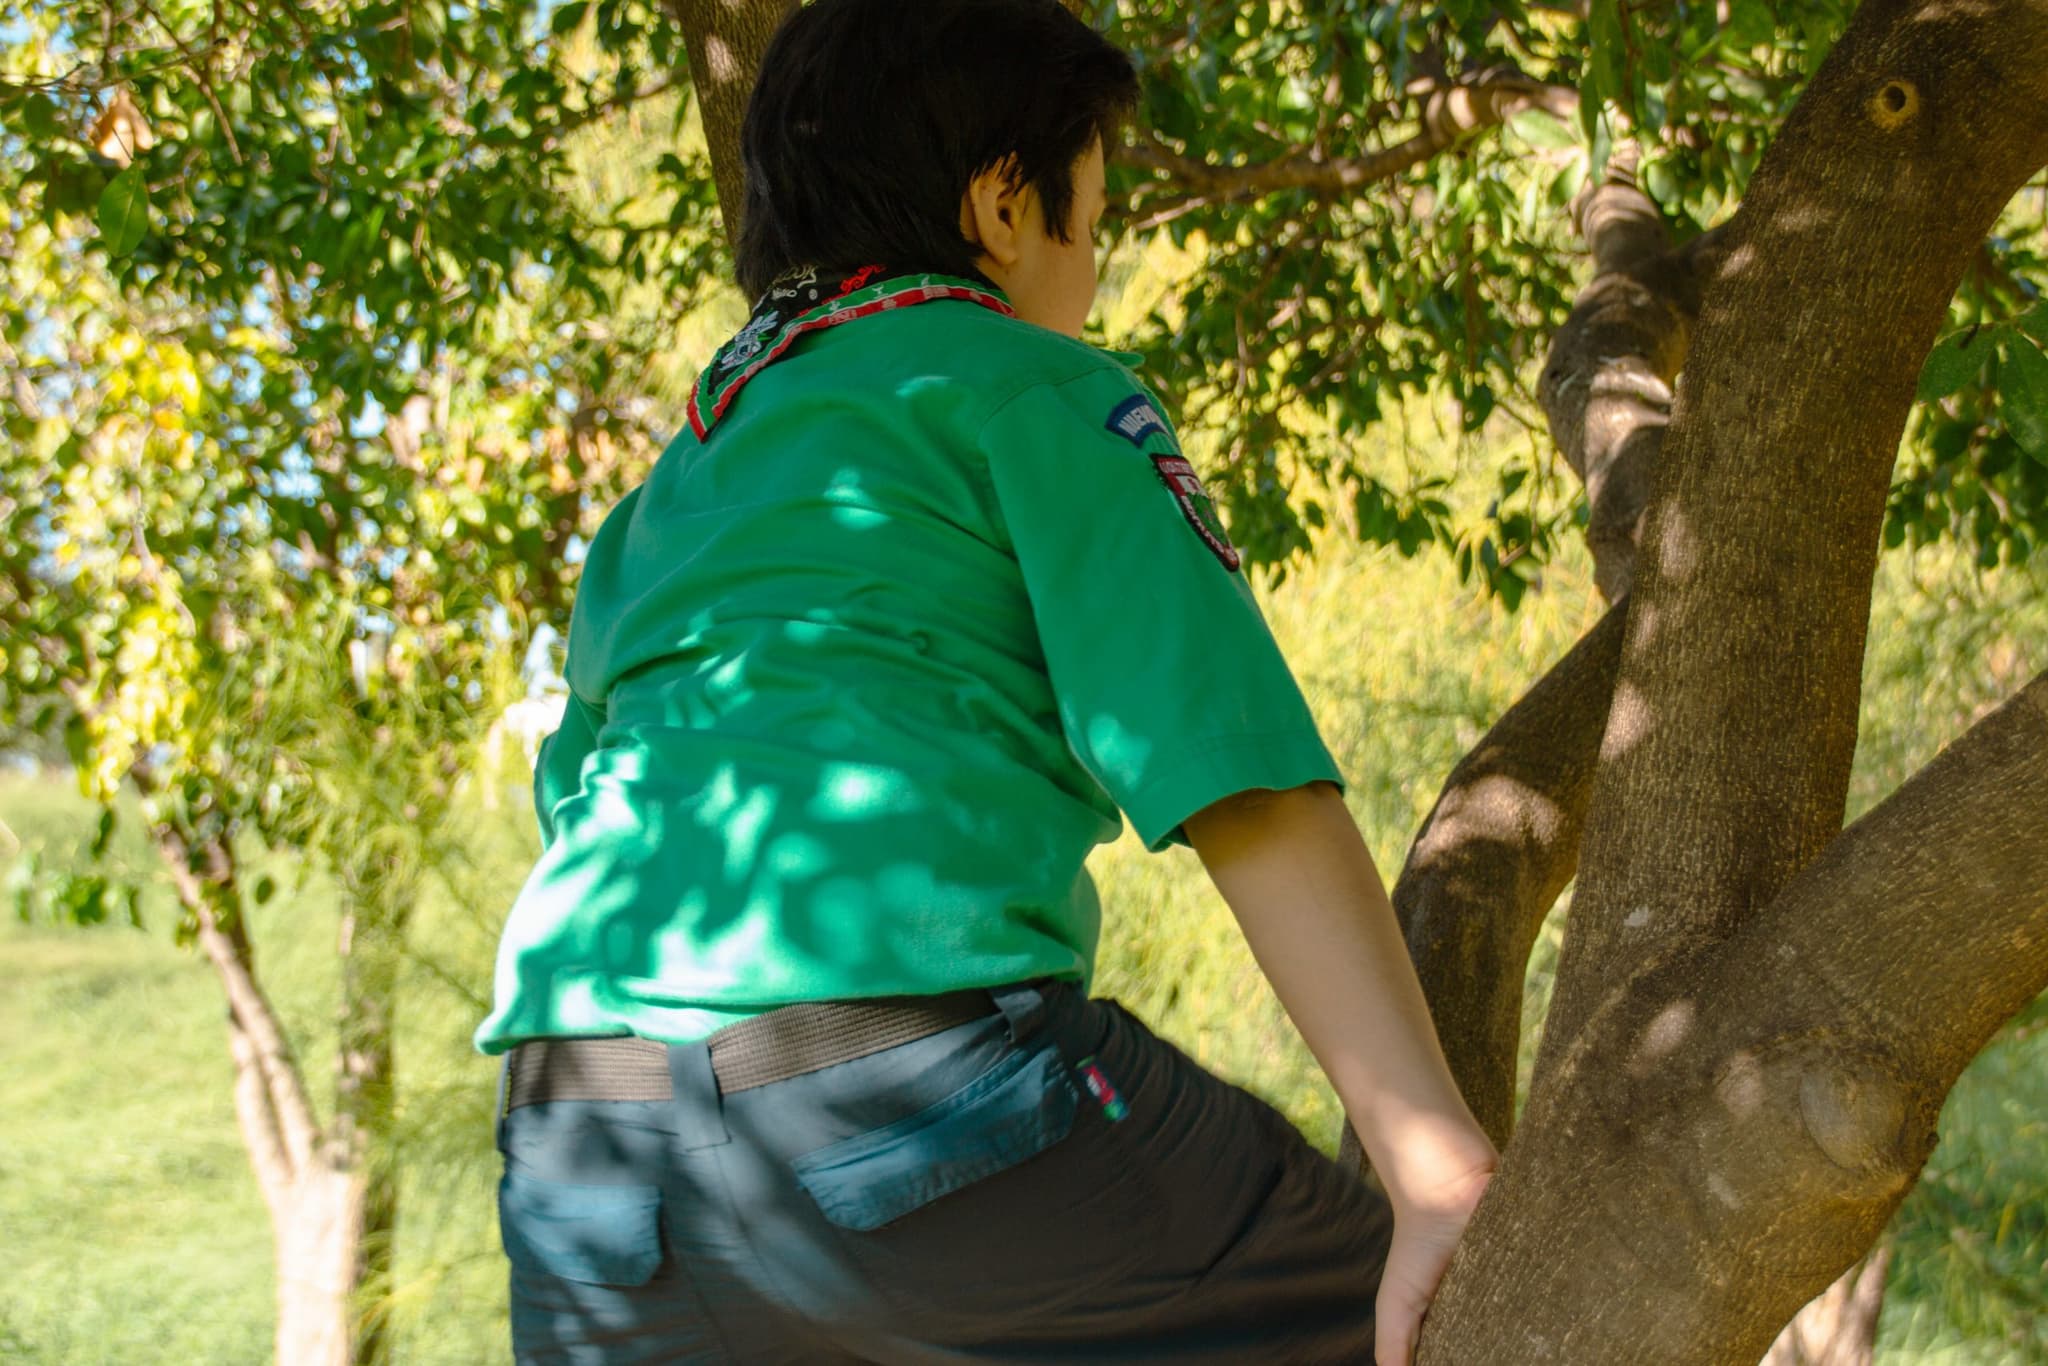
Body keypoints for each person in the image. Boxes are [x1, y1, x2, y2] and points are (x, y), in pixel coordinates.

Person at [477, 0, 1496, 1360]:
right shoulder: (1026, 390)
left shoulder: (672, 494)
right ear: (1007, 202)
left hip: (579, 1149)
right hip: (899, 1106)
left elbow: (581, 798)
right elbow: (1236, 779)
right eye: (1095, 213)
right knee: (1427, 1315)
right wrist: (1433, 1165)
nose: (1096, 262)